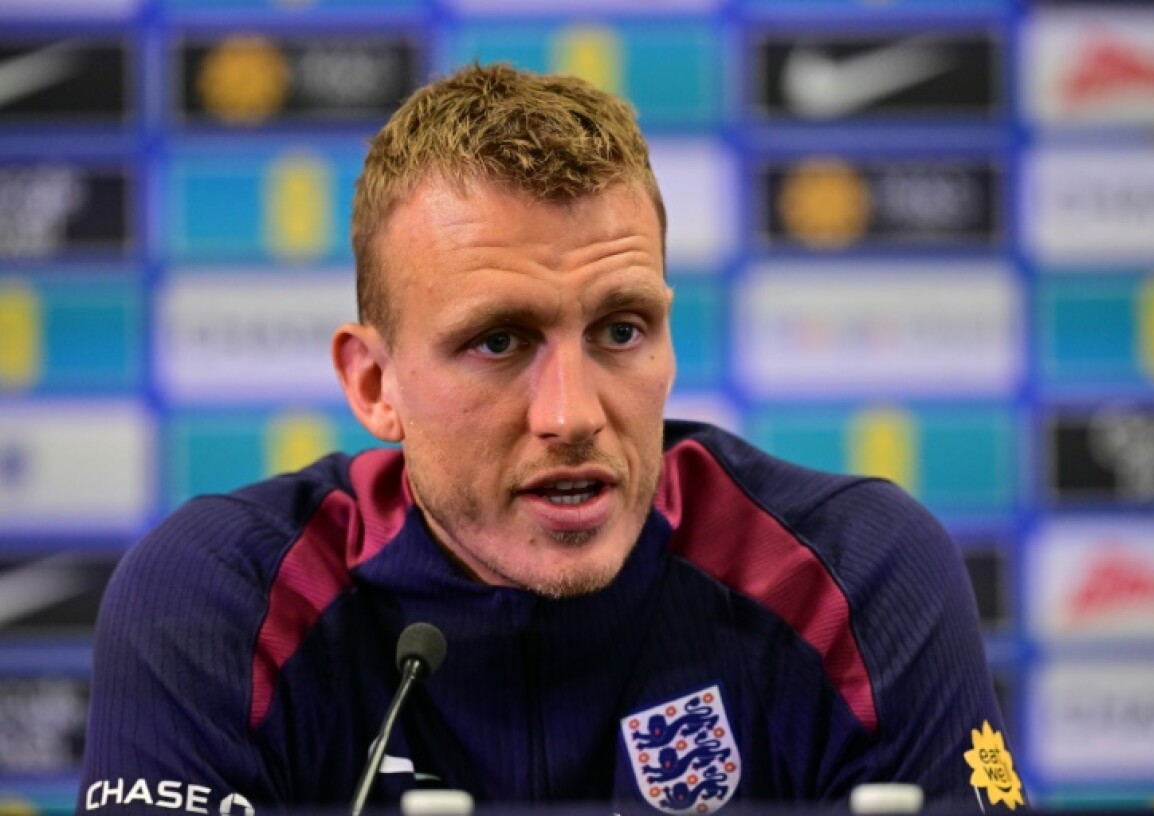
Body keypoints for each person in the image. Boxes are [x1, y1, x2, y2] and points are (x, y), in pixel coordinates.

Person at [78, 63, 1023, 815]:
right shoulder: (221, 603)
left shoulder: (854, 580)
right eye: (499, 342)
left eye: (620, 330)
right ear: (375, 386)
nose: (571, 414)